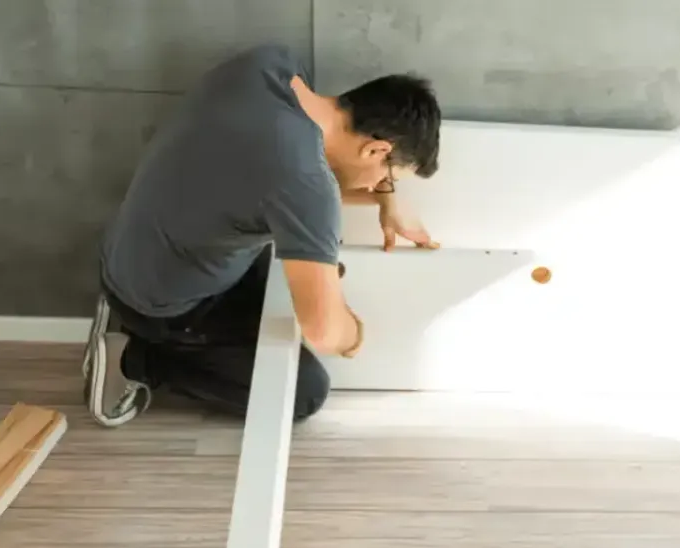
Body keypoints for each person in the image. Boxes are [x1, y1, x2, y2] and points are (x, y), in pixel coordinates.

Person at [87, 44, 441, 424]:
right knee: (305, 393)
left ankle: (128, 312)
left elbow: (282, 182)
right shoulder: (304, 182)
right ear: (376, 149)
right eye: (387, 178)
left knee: (290, 272)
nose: (376, 187)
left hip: (132, 253)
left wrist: (386, 201)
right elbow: (323, 332)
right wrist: (357, 337)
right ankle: (137, 358)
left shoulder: (268, 67)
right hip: (167, 304)